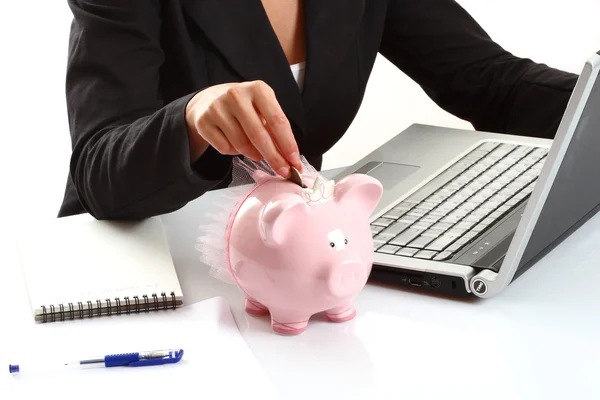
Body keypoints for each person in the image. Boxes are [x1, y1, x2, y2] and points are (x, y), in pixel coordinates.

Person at [58, 0, 578, 220]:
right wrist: (191, 119)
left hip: (294, 263)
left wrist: (588, 100)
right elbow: (98, 171)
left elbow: (491, 83)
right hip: (144, 273)